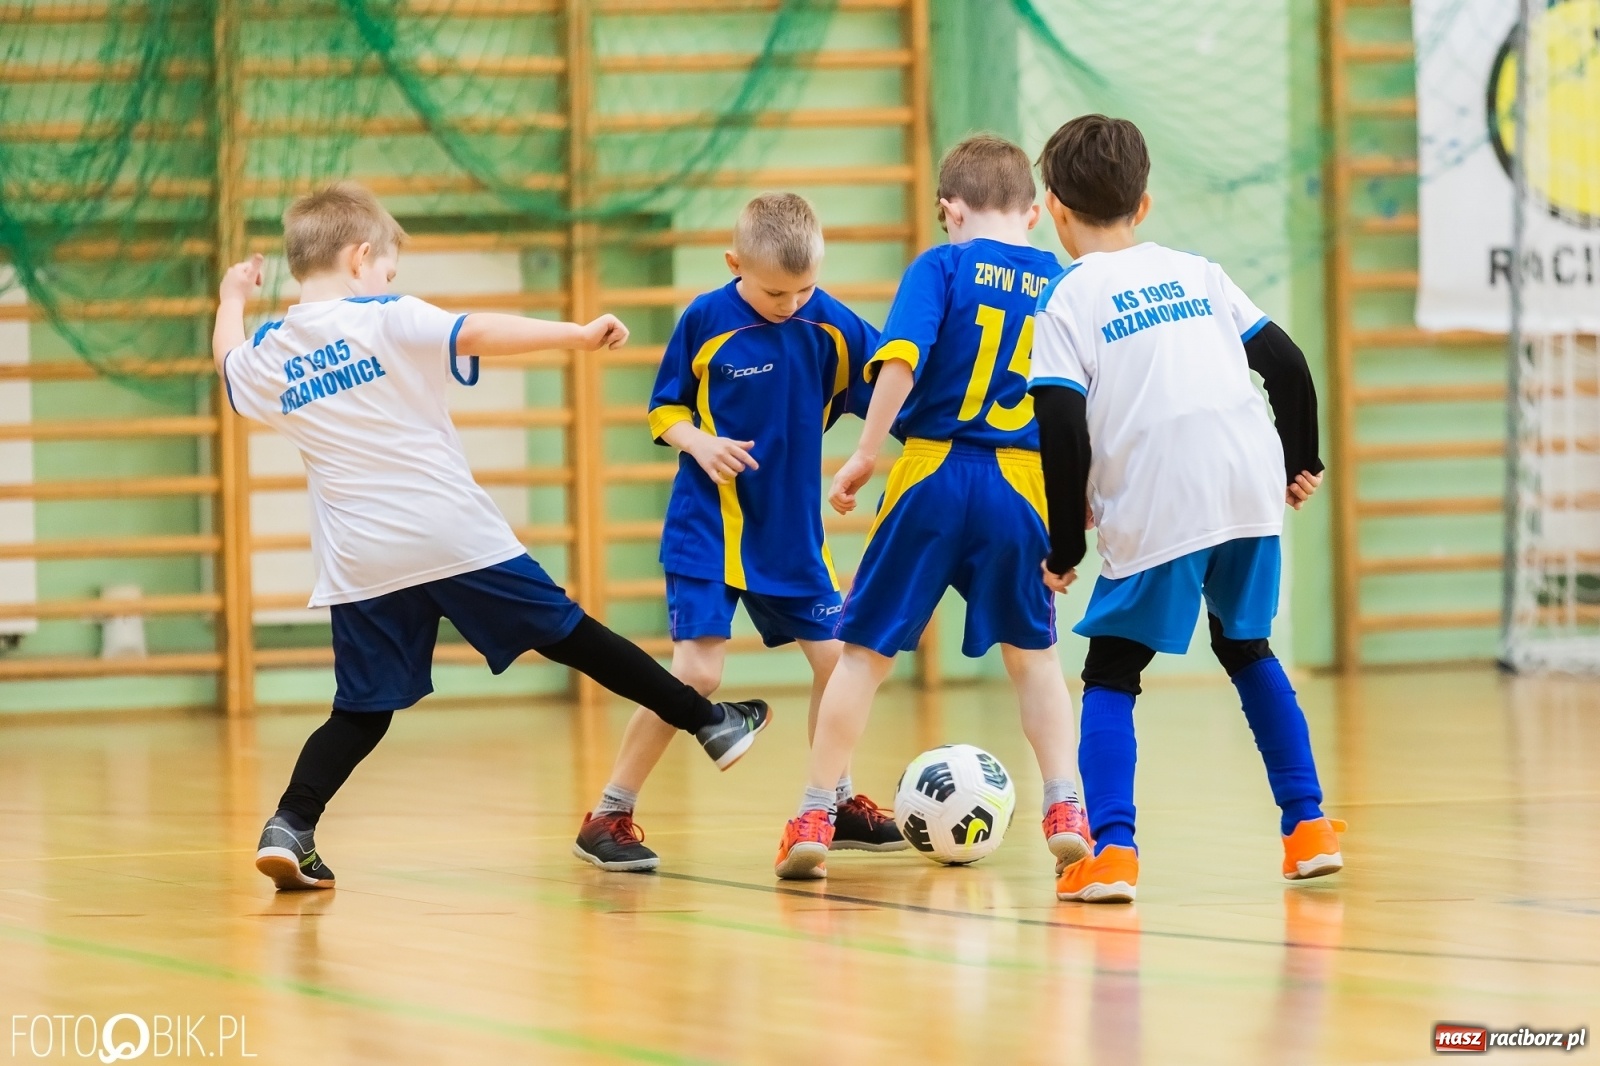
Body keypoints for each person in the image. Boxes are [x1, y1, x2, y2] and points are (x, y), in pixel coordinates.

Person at [214, 182, 769, 892]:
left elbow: (227, 362)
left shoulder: (275, 350)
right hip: (451, 535)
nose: (390, 280)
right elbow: (473, 332)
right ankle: (709, 721)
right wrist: (573, 334)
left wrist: (233, 295)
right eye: (387, 268)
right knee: (571, 634)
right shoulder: (387, 316)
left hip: (362, 558)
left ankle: (291, 825)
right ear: (361, 259)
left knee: (360, 709)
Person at [1027, 115, 1343, 904]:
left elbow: (1060, 430)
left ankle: (1114, 853)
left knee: (1111, 671)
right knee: (1247, 647)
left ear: (1056, 211)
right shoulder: (1197, 272)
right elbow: (1288, 364)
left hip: (1162, 494)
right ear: (1145, 203)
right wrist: (1300, 460)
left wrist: (1064, 545)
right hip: (1246, 484)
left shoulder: (1067, 299)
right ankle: (1306, 828)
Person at [773, 134, 1092, 882]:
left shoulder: (941, 266)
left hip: (931, 472)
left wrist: (865, 452)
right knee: (1037, 659)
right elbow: (1083, 408)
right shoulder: (1064, 283)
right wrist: (1080, 506)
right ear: (1036, 213)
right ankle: (1067, 804)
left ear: (950, 208)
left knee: (864, 654)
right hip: (1023, 483)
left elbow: (902, 358)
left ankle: (818, 808)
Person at [573, 193, 901, 872]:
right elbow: (664, 410)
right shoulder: (706, 319)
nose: (791, 302)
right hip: (709, 528)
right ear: (735, 264)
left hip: (792, 537)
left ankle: (833, 804)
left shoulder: (830, 324)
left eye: (805, 287)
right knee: (698, 671)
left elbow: (891, 392)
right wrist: (698, 442)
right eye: (777, 290)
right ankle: (609, 813)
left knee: (839, 663)